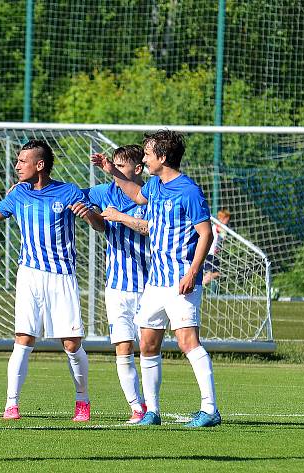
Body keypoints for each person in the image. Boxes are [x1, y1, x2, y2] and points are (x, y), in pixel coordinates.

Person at [92, 129, 220, 427]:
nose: (145, 158)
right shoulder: (154, 186)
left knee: (188, 342)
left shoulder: (188, 191)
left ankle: (210, 408)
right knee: (148, 344)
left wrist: (192, 272)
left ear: (162, 157)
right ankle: (152, 411)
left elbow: (205, 234)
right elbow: (136, 194)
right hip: (155, 282)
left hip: (180, 280)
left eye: (148, 153)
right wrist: (111, 171)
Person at [0, 140, 100, 422]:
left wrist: (89, 215)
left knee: (72, 344)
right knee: (23, 339)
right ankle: (11, 404)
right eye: (17, 160)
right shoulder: (19, 195)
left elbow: (100, 225)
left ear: (39, 165)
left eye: (22, 161)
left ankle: (82, 400)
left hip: (61, 276)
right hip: (29, 275)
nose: (16, 166)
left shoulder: (69, 191)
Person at [71, 145, 150, 424]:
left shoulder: (151, 194)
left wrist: (120, 217)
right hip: (116, 286)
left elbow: (151, 228)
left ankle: (152, 406)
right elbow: (75, 196)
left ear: (137, 169)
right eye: (112, 165)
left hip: (150, 286)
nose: (113, 170)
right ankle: (137, 407)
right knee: (123, 347)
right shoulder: (105, 192)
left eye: (120, 166)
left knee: (149, 349)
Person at [202, 209, 231, 286]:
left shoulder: (217, 227)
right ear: (222, 218)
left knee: (215, 273)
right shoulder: (217, 227)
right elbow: (219, 230)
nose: (228, 220)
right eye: (227, 218)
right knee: (215, 273)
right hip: (210, 254)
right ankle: (200, 283)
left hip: (212, 254)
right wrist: (224, 232)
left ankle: (201, 282)